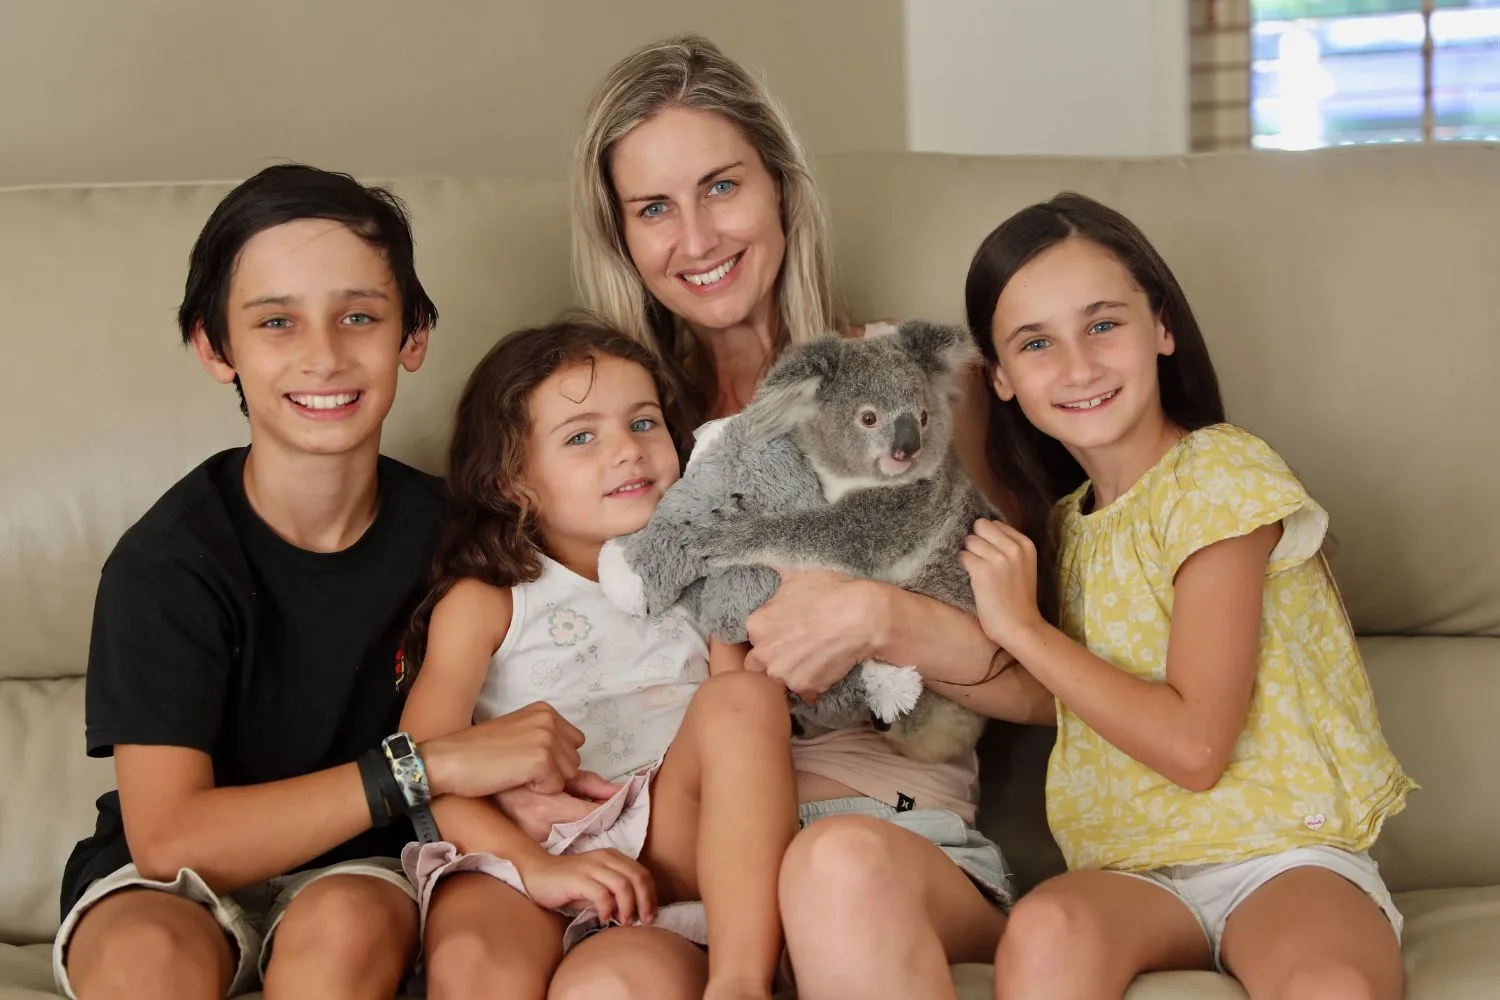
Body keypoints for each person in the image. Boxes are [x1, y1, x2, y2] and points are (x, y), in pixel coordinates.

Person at [565, 34, 1055, 999]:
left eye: (722, 187)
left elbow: (1048, 695)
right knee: (603, 986)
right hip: (687, 858)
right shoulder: (614, 433)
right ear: (621, 237)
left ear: (781, 188)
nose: (696, 239)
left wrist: (884, 617)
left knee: (834, 874)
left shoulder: (908, 393)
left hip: (884, 834)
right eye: (654, 208)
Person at [55, 164, 597, 1000]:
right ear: (215, 347)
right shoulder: (166, 562)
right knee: (142, 960)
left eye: (359, 316)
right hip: (170, 878)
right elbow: (167, 839)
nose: (323, 355)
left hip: (355, 871)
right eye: (277, 322)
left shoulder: (463, 536)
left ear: (412, 336)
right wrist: (420, 769)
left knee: (344, 930)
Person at [960, 191, 1416, 1000]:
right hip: (1130, 873)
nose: (1078, 365)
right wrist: (882, 627)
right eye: (1036, 343)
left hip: (1282, 858)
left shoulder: (1221, 475)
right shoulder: (1064, 528)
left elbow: (1197, 749)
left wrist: (1023, 628)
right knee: (1046, 930)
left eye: (1104, 324)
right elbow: (1065, 695)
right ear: (1000, 380)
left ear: (1162, 329)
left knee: (1331, 985)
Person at [393, 317, 797, 1000]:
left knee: (749, 698)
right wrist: (534, 866)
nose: (627, 452)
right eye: (582, 437)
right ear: (513, 481)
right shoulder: (487, 601)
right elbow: (423, 763)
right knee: (472, 959)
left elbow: (744, 749)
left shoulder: (704, 584)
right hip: (517, 849)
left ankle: (739, 981)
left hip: (667, 839)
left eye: (644, 424)